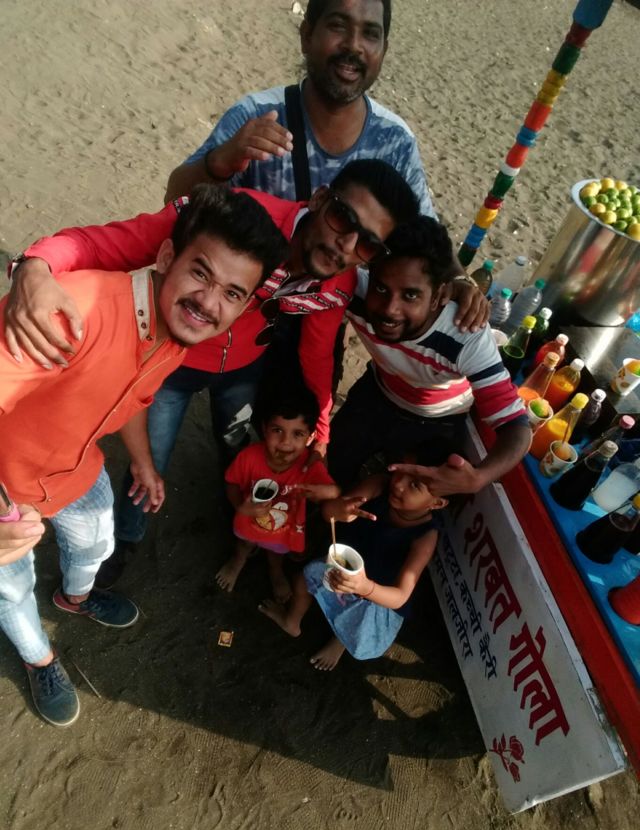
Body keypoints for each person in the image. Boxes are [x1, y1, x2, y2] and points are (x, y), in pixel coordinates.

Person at [5, 164, 486, 587]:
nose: (346, 246)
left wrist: (321, 432)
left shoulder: (337, 283)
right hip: (171, 363)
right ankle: (126, 541)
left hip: (240, 370)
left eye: (367, 244)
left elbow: (318, 355)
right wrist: (35, 267)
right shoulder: (236, 218)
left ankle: (239, 514)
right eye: (343, 219)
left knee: (236, 446)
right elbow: (110, 241)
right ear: (320, 199)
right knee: (149, 459)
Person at [0, 185, 287, 727]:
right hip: (7, 496)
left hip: (76, 470)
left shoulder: (175, 334)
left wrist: (143, 462)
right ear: (165, 256)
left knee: (96, 543)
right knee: (11, 591)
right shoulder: (74, 312)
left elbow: (130, 395)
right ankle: (40, 659)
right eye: (200, 273)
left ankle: (74, 599)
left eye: (232, 292)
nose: (209, 303)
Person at [165, 0, 435, 218]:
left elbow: (425, 245)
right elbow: (173, 204)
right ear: (306, 36)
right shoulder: (256, 116)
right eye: (338, 26)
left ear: (384, 50)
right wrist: (221, 162)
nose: (354, 45)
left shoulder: (396, 142)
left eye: (370, 34)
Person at [326, 216, 532, 493]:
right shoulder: (356, 293)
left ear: (439, 296)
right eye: (381, 288)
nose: (390, 309)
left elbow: (517, 427)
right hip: (376, 391)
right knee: (330, 470)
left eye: (410, 295)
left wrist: (479, 478)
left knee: (400, 502)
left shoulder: (466, 335)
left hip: (436, 421)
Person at [259, 446, 446, 670]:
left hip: (377, 595)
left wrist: (365, 587)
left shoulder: (425, 537)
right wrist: (338, 509)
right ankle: (292, 622)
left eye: (414, 485)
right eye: (401, 471)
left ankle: (340, 641)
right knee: (301, 581)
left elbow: (400, 597)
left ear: (437, 503)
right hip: (342, 566)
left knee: (357, 627)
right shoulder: (378, 485)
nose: (398, 484)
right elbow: (329, 512)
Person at [219, 384, 339, 603]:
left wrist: (324, 490)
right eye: (277, 430)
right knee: (244, 544)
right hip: (248, 520)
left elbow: (334, 492)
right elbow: (231, 483)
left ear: (310, 438)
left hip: (283, 531)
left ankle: (275, 571)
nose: (285, 442)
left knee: (276, 553)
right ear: (264, 429)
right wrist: (240, 508)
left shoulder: (309, 467)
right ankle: (238, 561)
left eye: (297, 434)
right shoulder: (248, 457)